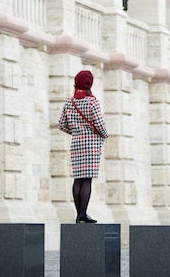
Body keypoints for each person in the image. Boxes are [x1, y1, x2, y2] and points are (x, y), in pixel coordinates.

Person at [58, 69, 108, 223]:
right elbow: (99, 124)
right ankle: (83, 214)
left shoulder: (69, 102)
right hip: (91, 143)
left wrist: (76, 131)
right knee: (87, 179)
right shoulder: (92, 101)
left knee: (78, 179)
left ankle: (79, 214)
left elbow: (61, 125)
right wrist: (105, 134)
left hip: (76, 143)